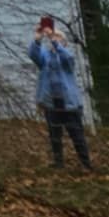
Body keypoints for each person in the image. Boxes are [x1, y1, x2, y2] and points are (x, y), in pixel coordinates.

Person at [28, 16, 93, 169]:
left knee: (77, 135)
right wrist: (37, 39)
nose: (54, 38)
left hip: (69, 103)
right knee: (55, 135)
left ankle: (86, 163)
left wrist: (55, 41)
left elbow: (67, 58)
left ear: (63, 42)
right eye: (53, 36)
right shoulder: (45, 56)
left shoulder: (67, 57)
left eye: (58, 37)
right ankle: (58, 163)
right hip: (51, 102)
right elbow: (33, 55)